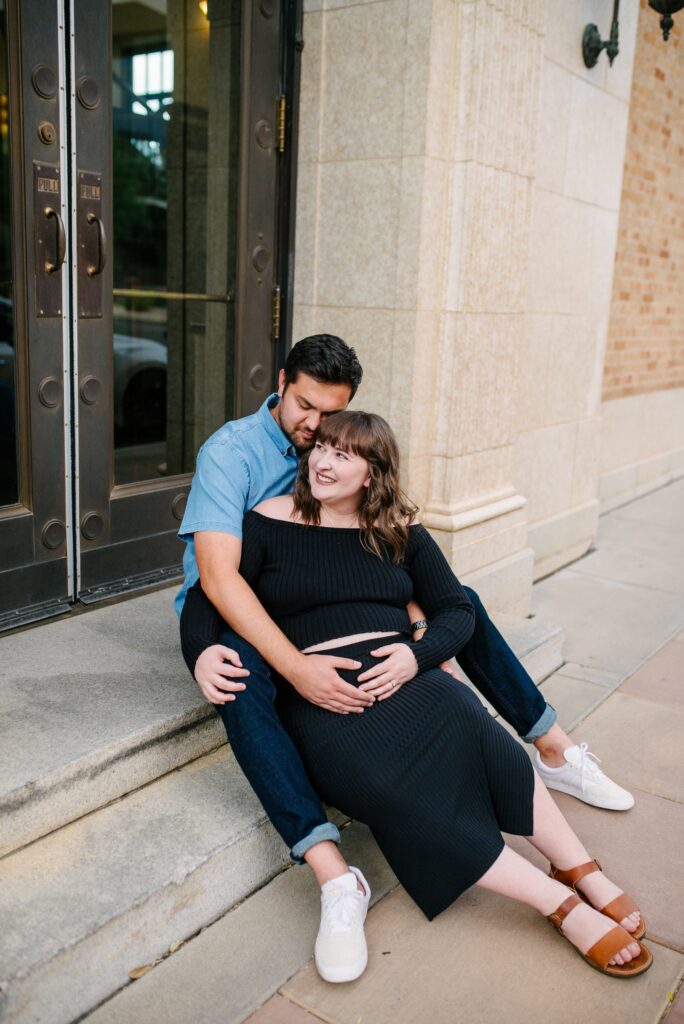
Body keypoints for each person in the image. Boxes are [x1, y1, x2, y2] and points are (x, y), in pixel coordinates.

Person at [174, 334, 633, 981]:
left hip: (393, 666)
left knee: (474, 709)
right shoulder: (240, 470)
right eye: (310, 422)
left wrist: (419, 649)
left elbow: (451, 608)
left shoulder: (389, 524)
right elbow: (213, 587)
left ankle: (563, 806)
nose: (317, 442)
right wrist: (206, 652)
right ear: (282, 383)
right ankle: (350, 876)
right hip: (267, 630)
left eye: (334, 434)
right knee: (243, 679)